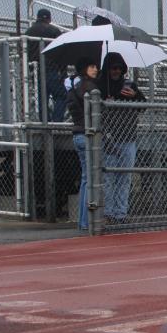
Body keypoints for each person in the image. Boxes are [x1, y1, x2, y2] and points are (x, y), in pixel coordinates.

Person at [97, 53, 146, 223]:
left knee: (124, 177)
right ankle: (108, 212)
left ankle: (121, 213)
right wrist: (105, 102)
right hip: (108, 137)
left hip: (128, 136)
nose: (116, 71)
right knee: (108, 177)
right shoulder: (100, 85)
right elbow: (90, 108)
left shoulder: (130, 85)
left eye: (119, 68)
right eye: (113, 68)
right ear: (107, 69)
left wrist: (135, 96)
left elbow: (143, 106)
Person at [66, 57, 99, 230]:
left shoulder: (74, 87)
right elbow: (97, 111)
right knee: (91, 178)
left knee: (86, 178)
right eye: (92, 66)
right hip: (87, 135)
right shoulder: (89, 87)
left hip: (78, 134)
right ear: (84, 68)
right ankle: (87, 221)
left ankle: (83, 221)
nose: (95, 69)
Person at [25, 8, 66, 122]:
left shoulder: (29, 31)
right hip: (52, 69)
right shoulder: (54, 30)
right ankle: (57, 121)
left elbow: (24, 52)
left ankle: (45, 122)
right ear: (49, 18)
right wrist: (63, 72)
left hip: (35, 70)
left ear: (37, 18)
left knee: (42, 98)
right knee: (62, 95)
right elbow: (61, 51)